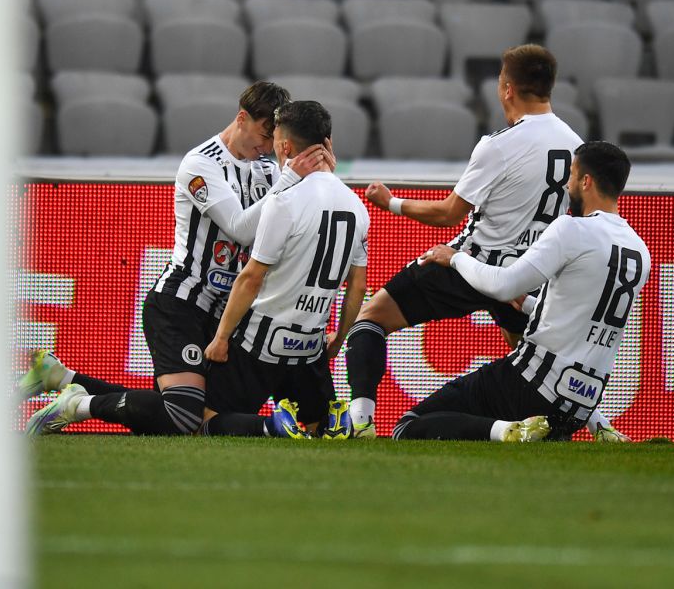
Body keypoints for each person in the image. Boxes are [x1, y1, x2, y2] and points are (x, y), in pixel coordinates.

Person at [343, 45, 627, 442]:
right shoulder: (576, 147)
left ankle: (360, 419)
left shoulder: (498, 144)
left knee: (372, 317)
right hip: (527, 274)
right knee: (531, 356)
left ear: (507, 88)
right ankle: (600, 425)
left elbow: (449, 214)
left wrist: (391, 202)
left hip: (473, 263)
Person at [23, 82, 330, 437]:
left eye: (271, 138)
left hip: (226, 313)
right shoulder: (201, 164)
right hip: (181, 304)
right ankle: (77, 405)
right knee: (185, 418)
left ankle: (62, 378)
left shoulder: (266, 169)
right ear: (242, 118)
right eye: (263, 135)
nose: (266, 147)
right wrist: (290, 179)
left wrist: (319, 177)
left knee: (193, 414)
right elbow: (240, 229)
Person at [395, 141, 650, 443]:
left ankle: (509, 430)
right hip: (580, 406)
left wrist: (455, 257)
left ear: (586, 181)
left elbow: (503, 284)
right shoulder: (638, 249)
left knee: (409, 426)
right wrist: (530, 305)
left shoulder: (571, 229)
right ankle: (600, 428)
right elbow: (586, 319)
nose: (567, 186)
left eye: (571, 175)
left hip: (531, 385)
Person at [201, 101, 368, 438]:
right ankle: (333, 419)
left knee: (203, 422)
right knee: (316, 426)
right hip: (309, 344)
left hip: (260, 340)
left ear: (284, 146)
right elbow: (358, 287)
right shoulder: (356, 205)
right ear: (328, 144)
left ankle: (271, 425)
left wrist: (220, 338)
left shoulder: (285, 201)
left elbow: (251, 277)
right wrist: (339, 337)